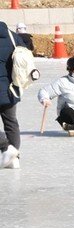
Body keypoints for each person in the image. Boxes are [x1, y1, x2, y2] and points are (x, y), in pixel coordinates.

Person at [0, 22, 19, 170]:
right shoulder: (12, 35)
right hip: (10, 88)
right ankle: (14, 159)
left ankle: (6, 148)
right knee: (11, 122)